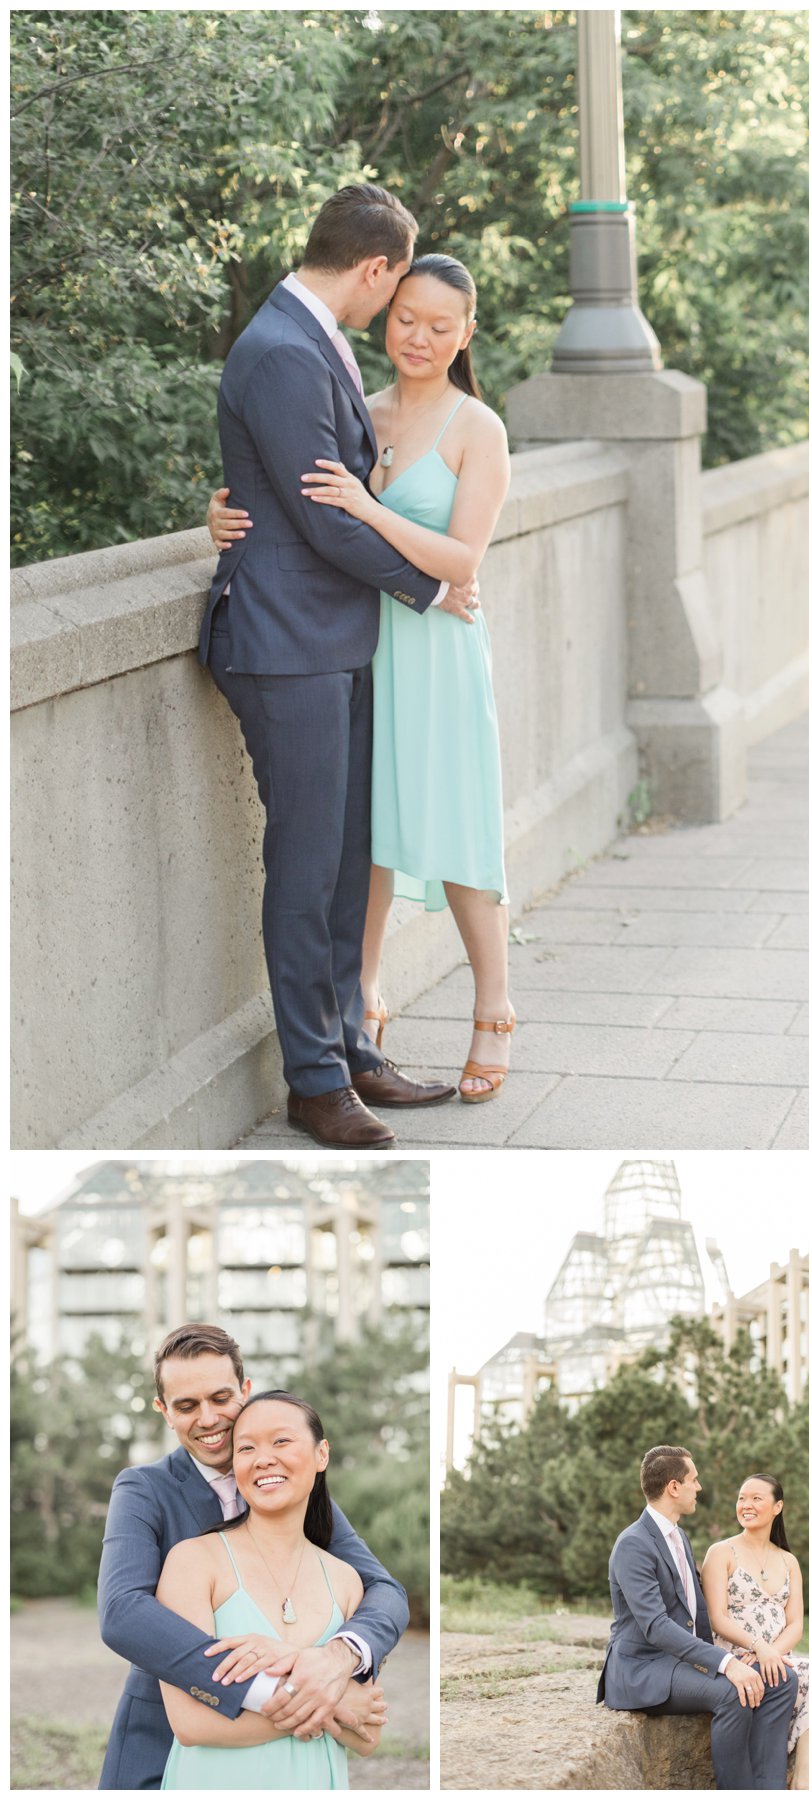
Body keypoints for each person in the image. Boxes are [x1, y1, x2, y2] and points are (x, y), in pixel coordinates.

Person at [199, 182, 479, 1146]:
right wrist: (430, 589)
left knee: (347, 859)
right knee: (307, 864)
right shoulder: (282, 350)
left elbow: (291, 489)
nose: (388, 309)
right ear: (374, 269)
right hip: (283, 644)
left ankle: (352, 1050)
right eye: (392, 289)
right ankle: (315, 1084)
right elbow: (323, 513)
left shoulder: (304, 338)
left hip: (330, 638)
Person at [97, 1325, 403, 1789]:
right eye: (186, 1405)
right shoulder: (143, 1490)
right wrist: (305, 1697)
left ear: (245, 1390)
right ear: (164, 1412)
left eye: (221, 1398)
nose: (208, 1418)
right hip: (162, 1742)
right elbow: (122, 1612)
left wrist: (338, 1660)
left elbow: (383, 1590)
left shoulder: (291, 1486)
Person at [154, 1392, 381, 1788]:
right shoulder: (192, 1562)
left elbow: (367, 1735)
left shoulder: (346, 1580)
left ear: (321, 1454)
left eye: (281, 1441)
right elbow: (191, 1722)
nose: (263, 1459)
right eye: (246, 1448)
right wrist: (331, 1699)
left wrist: (293, 1662)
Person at [599, 1446, 799, 1790]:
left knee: (782, 1681)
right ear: (674, 1487)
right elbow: (657, 1626)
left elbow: (700, 1613)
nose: (699, 1487)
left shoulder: (679, 1536)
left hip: (682, 1662)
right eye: (694, 1479)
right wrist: (726, 1663)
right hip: (643, 1669)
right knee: (732, 1692)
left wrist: (745, 1653)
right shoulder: (634, 1544)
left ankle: (770, 1788)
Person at [700, 1474, 809, 1788]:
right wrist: (760, 1647)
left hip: (778, 1657)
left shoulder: (788, 1561)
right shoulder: (721, 1552)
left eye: (757, 1498)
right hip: (738, 1657)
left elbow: (796, 1623)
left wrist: (774, 1652)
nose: (746, 1505)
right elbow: (717, 1619)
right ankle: (803, 1781)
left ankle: (798, 1774)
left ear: (777, 1506)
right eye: (742, 1498)